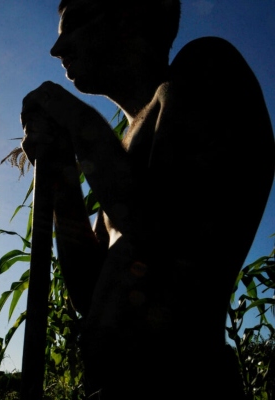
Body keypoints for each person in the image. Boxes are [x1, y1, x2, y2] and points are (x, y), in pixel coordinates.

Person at [19, 0, 275, 398]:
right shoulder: (122, 152)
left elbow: (162, 229)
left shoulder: (208, 68)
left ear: (133, 14)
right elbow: (89, 292)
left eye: (77, 24)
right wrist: (63, 177)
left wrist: (78, 120)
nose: (58, 49)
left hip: (184, 384)